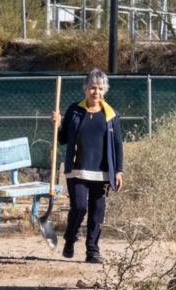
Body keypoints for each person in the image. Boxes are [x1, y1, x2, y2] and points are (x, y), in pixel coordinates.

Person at [52, 68, 123, 263]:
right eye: (93, 88)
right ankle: (70, 237)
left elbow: (117, 145)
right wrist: (57, 124)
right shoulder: (74, 110)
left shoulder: (112, 115)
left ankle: (92, 250)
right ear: (85, 89)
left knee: (97, 212)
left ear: (105, 90)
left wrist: (118, 170)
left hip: (102, 172)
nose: (96, 92)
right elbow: (63, 138)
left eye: (100, 88)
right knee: (80, 207)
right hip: (77, 169)